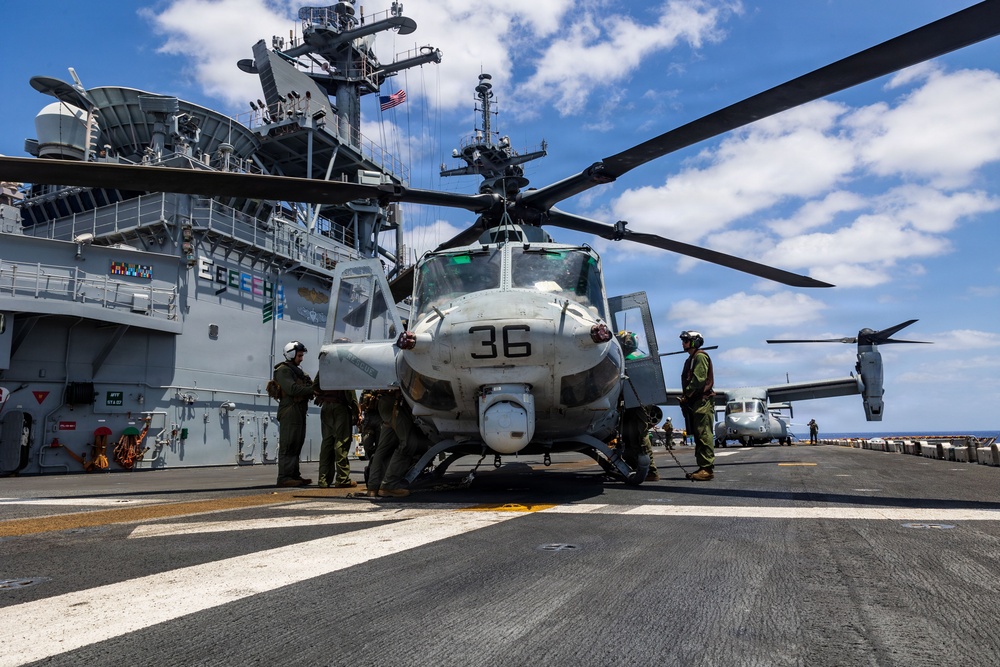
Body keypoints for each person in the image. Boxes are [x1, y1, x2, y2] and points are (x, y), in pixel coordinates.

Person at [365, 389, 428, 498]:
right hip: (394, 403)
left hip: (385, 402)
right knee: (408, 444)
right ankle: (390, 485)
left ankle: (373, 486)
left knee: (384, 448)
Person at [273, 340, 315, 487]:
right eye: (299, 355)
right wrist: (313, 390)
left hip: (299, 411)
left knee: (297, 443)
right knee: (288, 444)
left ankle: (294, 475)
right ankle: (284, 477)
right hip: (290, 411)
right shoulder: (283, 370)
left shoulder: (298, 371)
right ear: (291, 355)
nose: (301, 358)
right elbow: (292, 390)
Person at [312, 361, 360, 488]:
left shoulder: (324, 367)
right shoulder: (345, 368)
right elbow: (350, 393)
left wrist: (323, 396)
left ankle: (323, 480)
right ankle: (342, 479)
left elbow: (315, 385)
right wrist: (357, 412)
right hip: (340, 408)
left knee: (327, 442)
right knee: (342, 442)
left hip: (326, 407)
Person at [678, 330, 716, 481]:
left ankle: (706, 469)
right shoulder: (691, 359)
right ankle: (703, 467)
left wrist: (686, 394)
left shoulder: (699, 356)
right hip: (696, 401)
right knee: (700, 435)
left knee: (704, 434)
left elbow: (699, 380)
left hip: (702, 401)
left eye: (686, 340)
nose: (683, 343)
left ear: (694, 342)